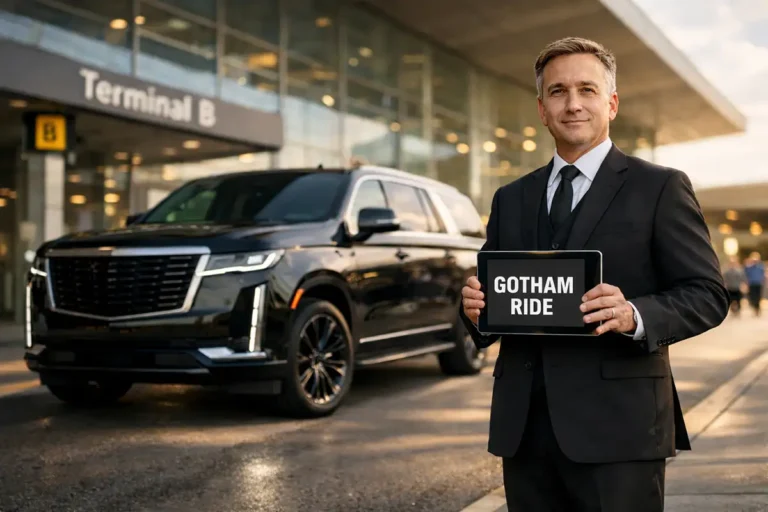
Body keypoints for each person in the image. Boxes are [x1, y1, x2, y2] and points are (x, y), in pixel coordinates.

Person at [460, 37, 728, 512]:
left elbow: (706, 294)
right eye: (558, 92)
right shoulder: (511, 198)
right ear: (542, 109)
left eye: (587, 89)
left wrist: (634, 314)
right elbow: (490, 302)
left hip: (620, 431)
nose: (573, 103)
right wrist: (474, 311)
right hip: (524, 433)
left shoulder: (661, 187)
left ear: (612, 103)